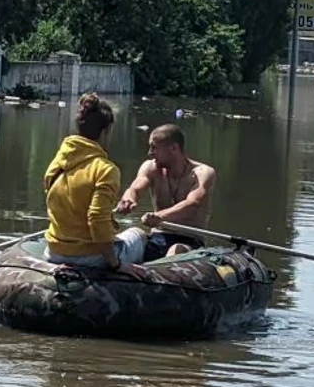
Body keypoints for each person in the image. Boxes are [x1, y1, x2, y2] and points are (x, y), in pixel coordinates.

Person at [43, 93, 145, 276]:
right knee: (139, 234)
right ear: (106, 131)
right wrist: (115, 264)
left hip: (54, 252)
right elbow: (96, 219)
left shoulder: (58, 162)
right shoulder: (106, 170)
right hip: (90, 257)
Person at [117, 123, 216, 261]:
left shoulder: (203, 172)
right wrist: (128, 199)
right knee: (134, 233)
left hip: (189, 241)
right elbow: (135, 187)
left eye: (154, 148)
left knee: (176, 249)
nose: (149, 153)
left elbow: (193, 204)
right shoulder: (150, 167)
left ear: (174, 148)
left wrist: (160, 216)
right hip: (157, 237)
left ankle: (156, 276)